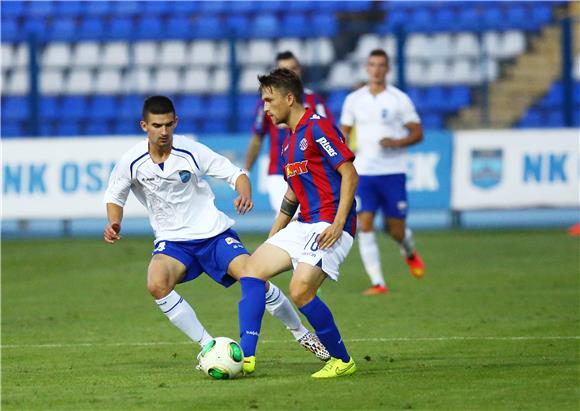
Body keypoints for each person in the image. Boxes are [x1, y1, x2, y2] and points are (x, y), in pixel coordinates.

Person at [103, 95, 329, 362]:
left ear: (176, 122)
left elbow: (237, 174)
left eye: (168, 125)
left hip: (214, 235)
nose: (163, 132)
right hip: (173, 242)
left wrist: (244, 192)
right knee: (156, 283)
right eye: (156, 126)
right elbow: (115, 196)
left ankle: (301, 333)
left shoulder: (191, 151)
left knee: (254, 277)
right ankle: (209, 347)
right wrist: (114, 222)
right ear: (144, 126)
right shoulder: (132, 160)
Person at [237, 69, 359, 378]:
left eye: (269, 100)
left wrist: (339, 222)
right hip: (303, 224)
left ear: (289, 98)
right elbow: (294, 192)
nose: (265, 108)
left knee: (300, 290)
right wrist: (276, 232)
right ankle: (246, 357)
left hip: (330, 225)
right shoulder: (288, 143)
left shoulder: (318, 128)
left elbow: (349, 172)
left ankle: (342, 361)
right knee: (251, 269)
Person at [340, 49, 426, 296]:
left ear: (387, 69)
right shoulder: (354, 100)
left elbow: (418, 132)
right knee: (364, 224)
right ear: (367, 68)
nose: (376, 69)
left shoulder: (399, 99)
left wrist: (397, 142)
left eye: (381, 65)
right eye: (372, 65)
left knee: (396, 229)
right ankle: (378, 282)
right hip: (364, 172)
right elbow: (342, 131)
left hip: (393, 172)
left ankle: (408, 250)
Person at [245, 51, 334, 214]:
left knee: (305, 223)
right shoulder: (267, 103)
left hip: (310, 172)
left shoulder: (315, 100)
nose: (290, 73)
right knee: (289, 220)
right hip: (279, 172)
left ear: (300, 70)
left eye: (294, 68)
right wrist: (246, 171)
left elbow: (330, 135)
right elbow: (257, 139)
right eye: (284, 70)